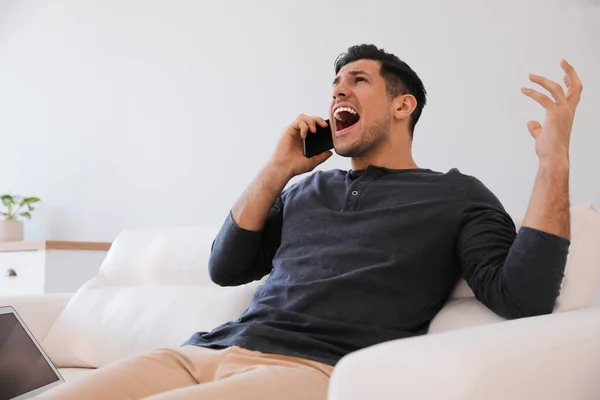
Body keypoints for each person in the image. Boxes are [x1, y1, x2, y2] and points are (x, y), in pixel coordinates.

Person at [37, 44, 583, 400]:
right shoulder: (305, 188)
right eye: (335, 84)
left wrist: (552, 161)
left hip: (309, 371)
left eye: (358, 80)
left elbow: (524, 297)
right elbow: (225, 267)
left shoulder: (455, 195)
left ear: (403, 105)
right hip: (200, 352)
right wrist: (278, 168)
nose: (338, 91)